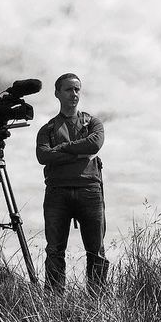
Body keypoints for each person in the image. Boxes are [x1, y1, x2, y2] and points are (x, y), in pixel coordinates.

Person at [35, 73, 109, 293]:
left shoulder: (92, 122)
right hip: (57, 192)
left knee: (96, 251)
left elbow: (94, 144)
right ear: (57, 93)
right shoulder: (47, 129)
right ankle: (54, 302)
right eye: (68, 89)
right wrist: (78, 154)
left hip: (90, 190)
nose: (74, 94)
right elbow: (43, 156)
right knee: (55, 251)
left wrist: (61, 148)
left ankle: (97, 302)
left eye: (77, 89)